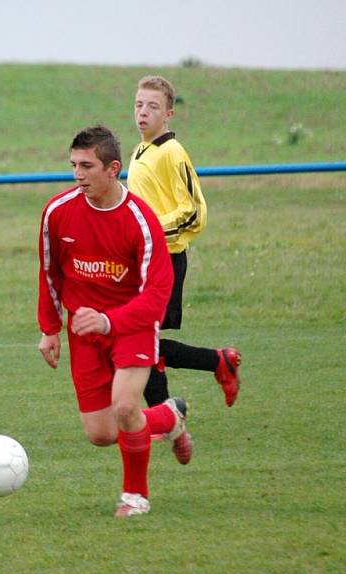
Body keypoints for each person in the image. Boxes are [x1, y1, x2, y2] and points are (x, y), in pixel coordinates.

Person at [37, 125, 192, 517]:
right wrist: (50, 328)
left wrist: (109, 321)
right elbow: (49, 271)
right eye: (73, 165)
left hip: (133, 325)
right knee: (102, 434)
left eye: (87, 166)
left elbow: (157, 297)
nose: (78, 174)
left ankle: (135, 498)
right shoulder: (57, 213)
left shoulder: (141, 221)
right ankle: (168, 415)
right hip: (84, 332)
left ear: (113, 168)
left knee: (125, 410)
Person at [127, 75, 241, 419]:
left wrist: (149, 232)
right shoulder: (141, 150)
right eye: (138, 104)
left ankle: (165, 415)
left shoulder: (172, 153)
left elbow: (193, 211)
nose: (143, 112)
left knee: (141, 343)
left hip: (165, 260)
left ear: (169, 114)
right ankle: (215, 364)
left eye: (153, 106)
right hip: (143, 260)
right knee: (142, 342)